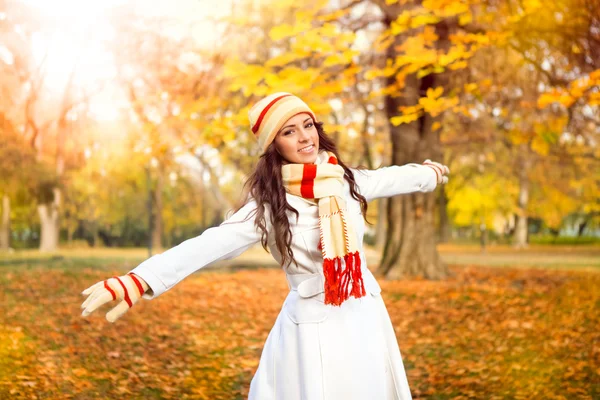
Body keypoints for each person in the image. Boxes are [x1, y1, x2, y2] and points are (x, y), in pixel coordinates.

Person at [80, 92, 450, 400]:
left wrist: (429, 174)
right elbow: (209, 245)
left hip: (364, 316)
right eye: (290, 131)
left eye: (308, 125)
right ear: (274, 146)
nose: (305, 137)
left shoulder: (342, 179)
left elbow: (389, 178)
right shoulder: (267, 206)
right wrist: (138, 280)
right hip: (314, 329)